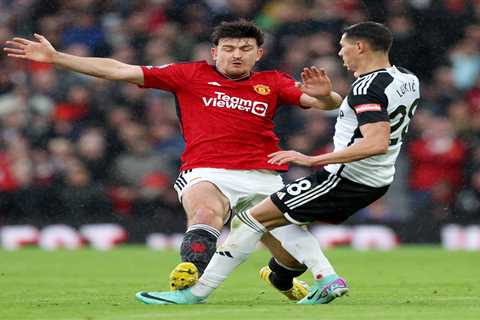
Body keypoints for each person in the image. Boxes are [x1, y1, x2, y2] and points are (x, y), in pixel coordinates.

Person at [4, 20, 343, 301]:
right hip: (207, 170)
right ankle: (192, 267)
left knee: (293, 258)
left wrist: (326, 94)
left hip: (264, 175)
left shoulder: (272, 83)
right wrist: (57, 57)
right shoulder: (189, 75)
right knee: (206, 211)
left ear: (258, 54)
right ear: (215, 52)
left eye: (244, 49)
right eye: (228, 48)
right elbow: (120, 70)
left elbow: (325, 103)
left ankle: (280, 277)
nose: (236, 54)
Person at [135, 21, 420, 305]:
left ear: (359, 47)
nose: (340, 53)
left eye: (343, 46)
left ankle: (197, 293)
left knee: (251, 219)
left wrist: (312, 159)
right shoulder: (406, 79)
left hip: (343, 178)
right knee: (281, 220)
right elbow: (343, 110)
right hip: (377, 179)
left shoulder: (363, 89)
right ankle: (299, 278)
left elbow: (375, 142)